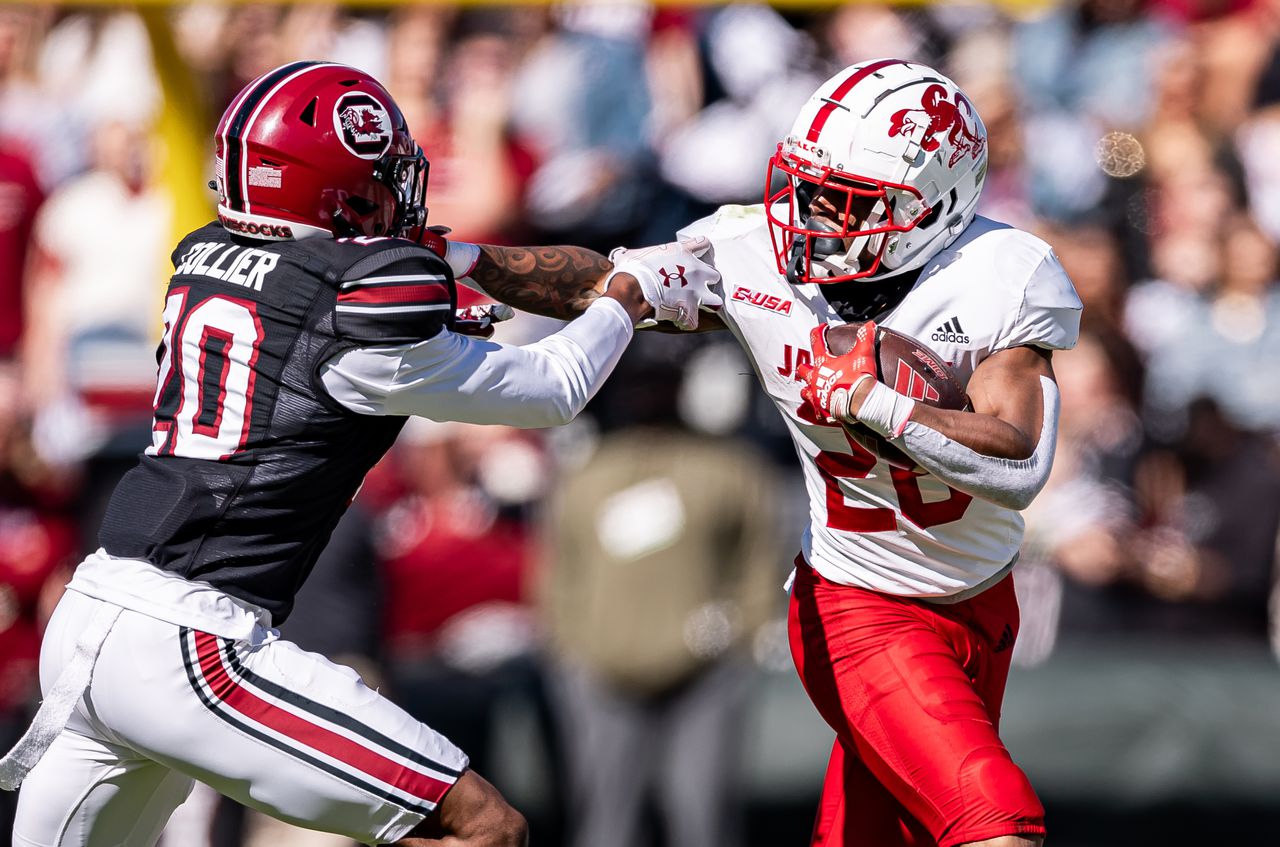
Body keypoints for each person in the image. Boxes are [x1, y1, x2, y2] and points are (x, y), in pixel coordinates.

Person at [2, 61, 721, 847]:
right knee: (484, 825)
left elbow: (370, 279)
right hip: (190, 643)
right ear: (333, 192)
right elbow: (553, 385)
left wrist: (475, 262)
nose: (397, 193)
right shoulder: (356, 307)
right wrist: (630, 298)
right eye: (378, 178)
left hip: (91, 613)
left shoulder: (206, 255)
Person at [438, 59, 1082, 847]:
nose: (806, 219)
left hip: (983, 603)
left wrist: (876, 401)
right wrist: (463, 260)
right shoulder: (750, 252)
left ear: (933, 205)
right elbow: (603, 281)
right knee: (996, 822)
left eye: (844, 201)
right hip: (859, 605)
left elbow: (1019, 460)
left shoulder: (998, 275)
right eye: (806, 189)